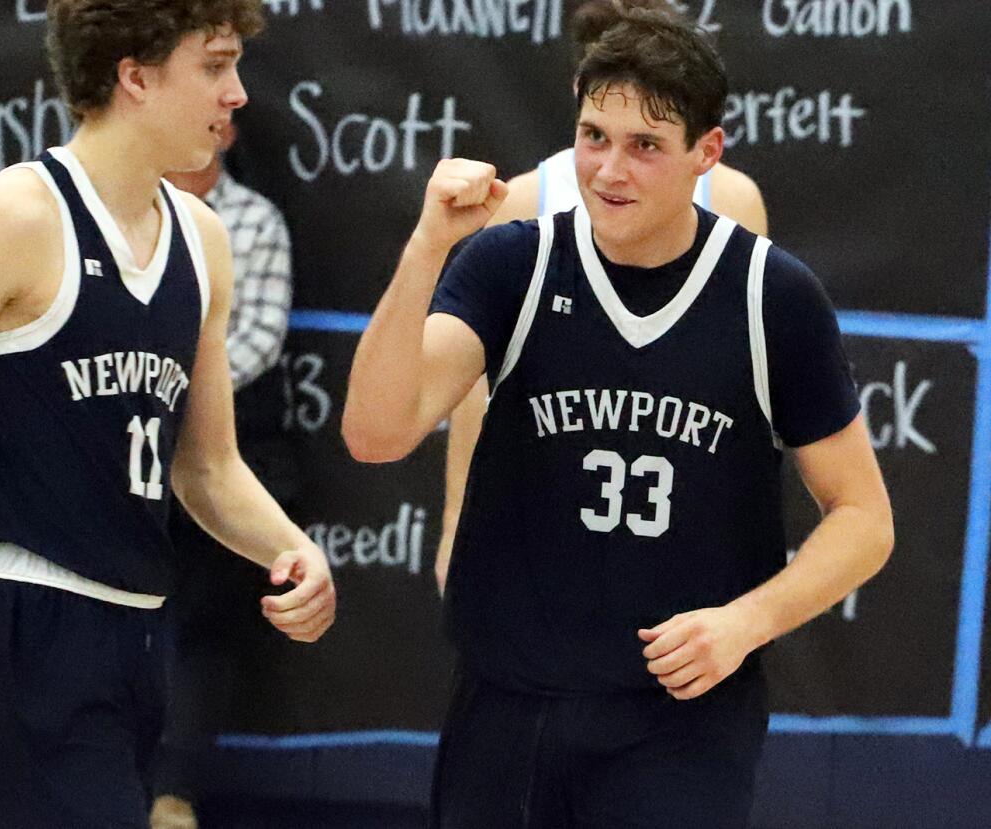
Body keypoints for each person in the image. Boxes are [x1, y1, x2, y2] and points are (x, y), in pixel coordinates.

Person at [343, 6, 893, 827]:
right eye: (594, 135)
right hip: (509, 699)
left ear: (707, 152)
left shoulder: (770, 294)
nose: (609, 169)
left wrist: (747, 620)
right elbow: (375, 434)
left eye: (645, 146)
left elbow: (865, 519)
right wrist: (426, 249)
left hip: (680, 716)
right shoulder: (512, 261)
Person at [0, 2, 335, 827]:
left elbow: (205, 465)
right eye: (214, 66)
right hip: (24, 617)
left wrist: (287, 546)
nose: (239, 93)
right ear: (134, 76)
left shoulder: (204, 240)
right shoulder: (12, 218)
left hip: (140, 633)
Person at [435, 0, 768, 594]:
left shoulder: (733, 199)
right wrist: (457, 519)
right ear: (582, 87)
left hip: (676, 519)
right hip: (545, 516)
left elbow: (744, 391)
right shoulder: (524, 202)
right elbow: (473, 388)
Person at [151, 121, 296, 829]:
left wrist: (169, 388)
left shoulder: (254, 220)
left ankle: (173, 791)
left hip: (221, 444)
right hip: (129, 448)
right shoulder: (130, 212)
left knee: (205, 628)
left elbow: (259, 340)